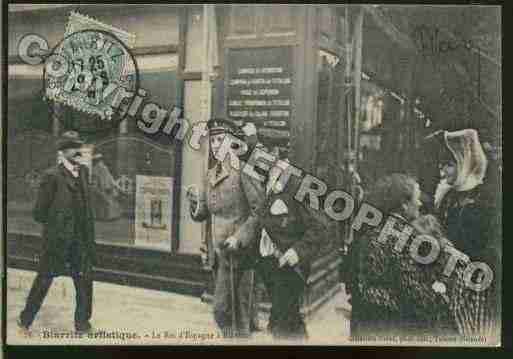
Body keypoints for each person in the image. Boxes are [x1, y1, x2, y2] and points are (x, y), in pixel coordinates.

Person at [186, 118, 265, 338]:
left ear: (232, 142)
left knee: (231, 313)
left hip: (239, 253)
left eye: (221, 139)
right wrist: (194, 203)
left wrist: (239, 238)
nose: (215, 145)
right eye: (212, 140)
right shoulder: (211, 173)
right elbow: (205, 213)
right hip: (218, 254)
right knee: (225, 312)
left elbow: (259, 212)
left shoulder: (244, 172)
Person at [350, 173, 452, 337]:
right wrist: (441, 293)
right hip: (393, 326)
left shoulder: (372, 231)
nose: (419, 203)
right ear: (404, 205)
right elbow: (414, 294)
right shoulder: (405, 239)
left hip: (366, 323)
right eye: (416, 198)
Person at [17, 131, 96, 335]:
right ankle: (25, 321)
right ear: (62, 151)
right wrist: (58, 226)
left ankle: (82, 325)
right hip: (57, 241)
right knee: (43, 281)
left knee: (85, 282)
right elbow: (39, 213)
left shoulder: (85, 172)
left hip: (80, 241)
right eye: (72, 147)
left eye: (79, 146)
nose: (77, 150)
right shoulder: (51, 176)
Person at [432, 129, 500, 337]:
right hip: (447, 278)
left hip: (476, 284)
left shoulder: (486, 199)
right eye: (441, 164)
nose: (442, 171)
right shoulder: (448, 196)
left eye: (449, 164)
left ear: (465, 162)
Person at [256, 159, 329, 340]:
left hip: (290, 264)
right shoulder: (265, 179)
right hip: (269, 262)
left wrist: (296, 252)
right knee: (287, 317)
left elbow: (319, 227)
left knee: (282, 320)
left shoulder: (297, 183)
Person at [91, 153, 122, 221]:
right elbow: (107, 179)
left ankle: (103, 216)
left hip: (100, 187)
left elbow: (105, 178)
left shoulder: (95, 168)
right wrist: (110, 186)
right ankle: (108, 216)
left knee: (103, 202)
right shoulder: (103, 168)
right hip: (104, 187)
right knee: (107, 202)